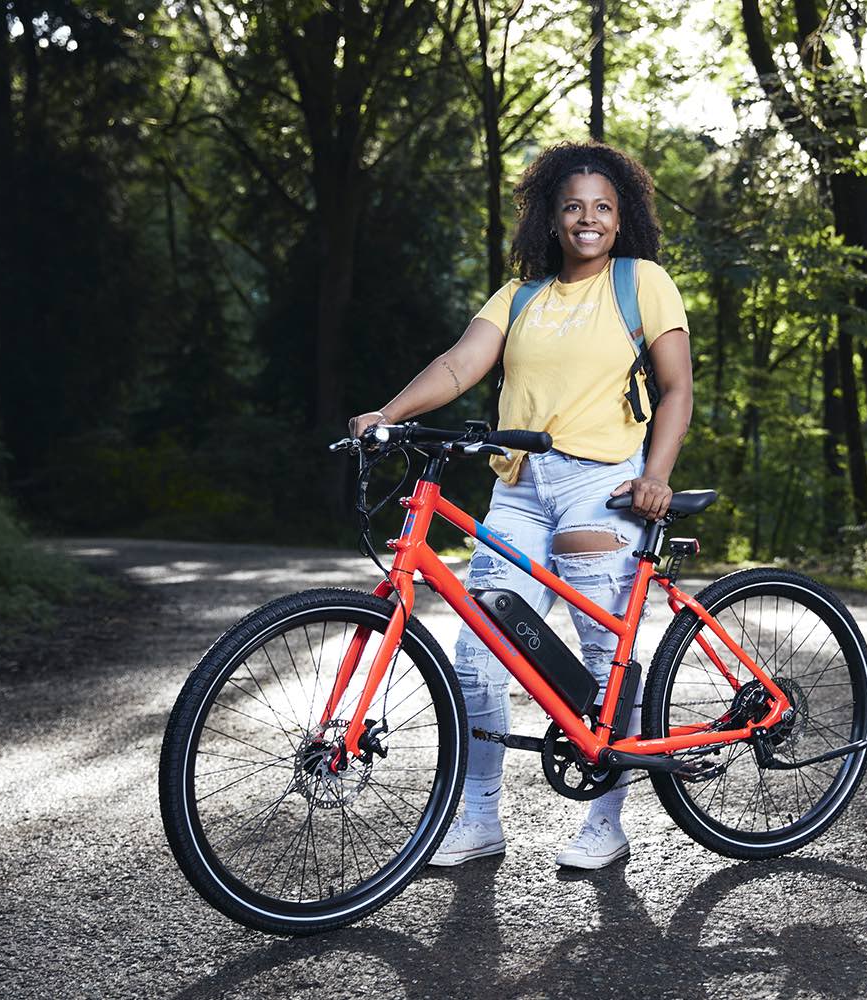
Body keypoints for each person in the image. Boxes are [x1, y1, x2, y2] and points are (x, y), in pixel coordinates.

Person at [347, 141, 693, 870]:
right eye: (573, 207)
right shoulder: (521, 294)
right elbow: (458, 364)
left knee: (605, 660)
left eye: (602, 207)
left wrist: (657, 474)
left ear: (621, 217)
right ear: (552, 217)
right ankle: (477, 819)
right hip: (520, 486)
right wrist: (386, 412)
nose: (588, 219)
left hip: (601, 484)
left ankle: (607, 821)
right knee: (480, 657)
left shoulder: (642, 282)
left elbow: (677, 389)